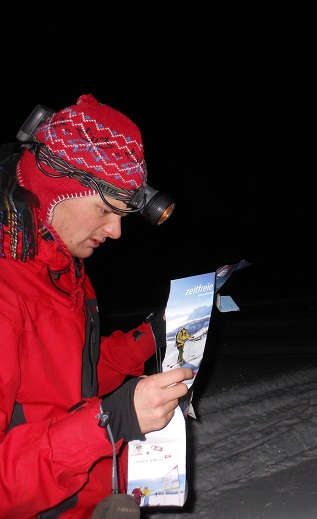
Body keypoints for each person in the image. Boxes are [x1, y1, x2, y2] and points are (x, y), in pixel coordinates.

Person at [0, 94, 194, 518]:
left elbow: (73, 376)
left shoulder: (66, 270)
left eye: (123, 214)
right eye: (105, 210)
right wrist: (111, 419)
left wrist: (151, 336)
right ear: (56, 191)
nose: (116, 231)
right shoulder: (7, 289)